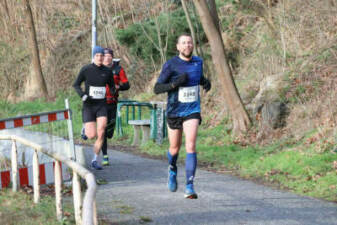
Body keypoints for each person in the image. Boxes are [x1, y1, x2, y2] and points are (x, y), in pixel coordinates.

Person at [153, 34, 211, 199]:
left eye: (190, 42)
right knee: (174, 148)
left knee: (191, 145)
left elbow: (197, 77)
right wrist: (174, 84)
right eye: (184, 43)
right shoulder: (171, 64)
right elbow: (157, 88)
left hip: (192, 110)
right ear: (178, 47)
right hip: (174, 111)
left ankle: (190, 186)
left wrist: (205, 82)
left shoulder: (198, 62)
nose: (187, 45)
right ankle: (172, 168)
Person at [73, 46, 115, 170]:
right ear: (93, 56)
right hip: (89, 105)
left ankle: (95, 160)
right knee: (91, 135)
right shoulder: (86, 69)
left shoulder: (107, 71)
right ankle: (84, 129)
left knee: (101, 131)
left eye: (102, 56)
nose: (100, 58)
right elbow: (76, 85)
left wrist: (113, 90)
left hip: (102, 105)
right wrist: (83, 95)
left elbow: (111, 86)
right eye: (97, 55)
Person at [101, 48, 130, 166]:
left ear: (112, 57)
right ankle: (105, 156)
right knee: (102, 130)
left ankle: (108, 133)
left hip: (112, 103)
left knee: (109, 133)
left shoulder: (118, 69)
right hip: (100, 103)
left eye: (109, 56)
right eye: (105, 56)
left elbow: (127, 85)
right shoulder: (97, 69)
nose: (107, 58)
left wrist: (119, 87)